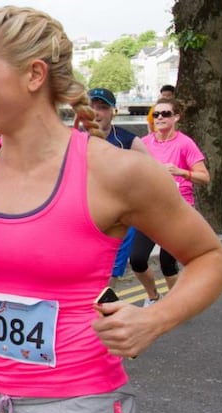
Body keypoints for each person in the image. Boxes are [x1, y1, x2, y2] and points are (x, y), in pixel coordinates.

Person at [0, 6, 222, 413]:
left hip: (81, 411)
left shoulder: (116, 172)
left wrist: (155, 319)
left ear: (34, 74)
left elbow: (212, 259)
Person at [133, 97, 210, 306]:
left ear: (176, 117)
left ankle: (176, 304)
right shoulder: (145, 143)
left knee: (167, 263)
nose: (160, 118)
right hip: (150, 209)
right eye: (156, 114)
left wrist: (181, 172)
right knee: (137, 260)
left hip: (177, 209)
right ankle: (153, 297)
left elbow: (204, 177)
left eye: (165, 114)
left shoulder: (185, 143)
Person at [88, 87, 149, 287]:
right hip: (85, 217)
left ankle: (105, 313)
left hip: (119, 220)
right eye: (92, 106)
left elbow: (150, 173)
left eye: (103, 107)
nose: (96, 112)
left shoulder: (128, 140)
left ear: (113, 111)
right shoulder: (73, 140)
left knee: (109, 278)